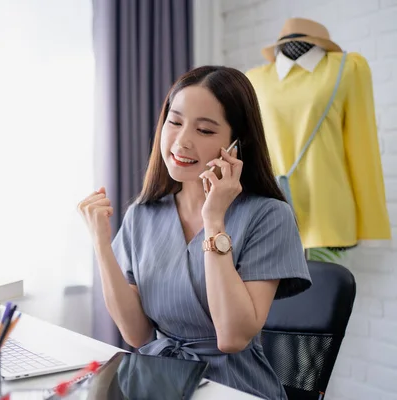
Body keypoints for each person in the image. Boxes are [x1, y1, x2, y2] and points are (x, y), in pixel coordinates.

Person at [77, 65, 312, 400]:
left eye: (204, 130)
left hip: (233, 386)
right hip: (161, 382)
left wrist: (213, 219)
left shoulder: (268, 216)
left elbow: (232, 337)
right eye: (174, 122)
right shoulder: (142, 214)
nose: (182, 141)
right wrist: (101, 244)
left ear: (236, 143)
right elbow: (137, 334)